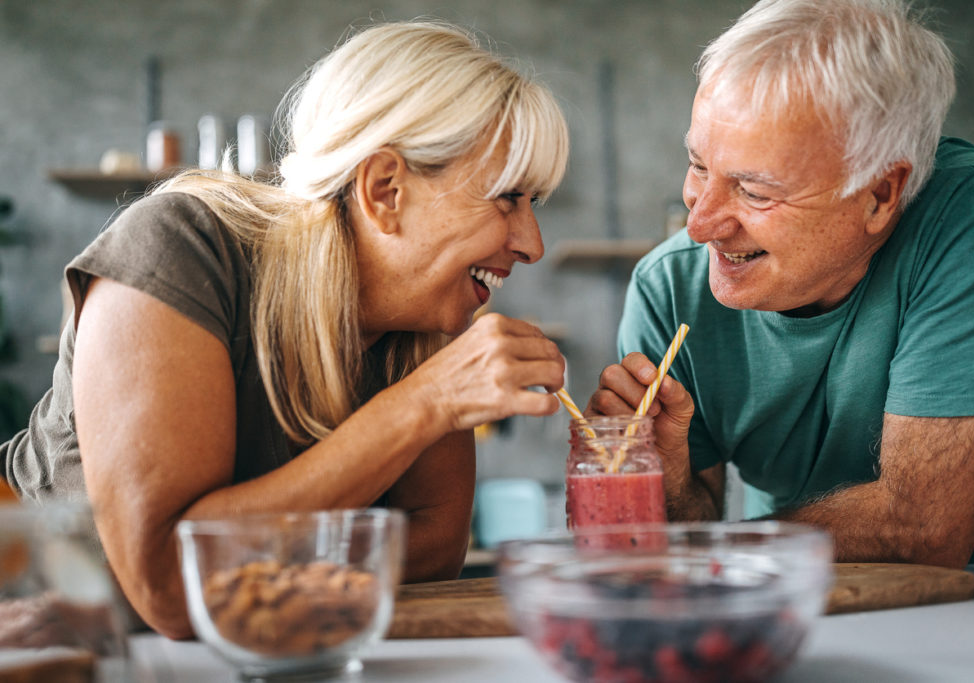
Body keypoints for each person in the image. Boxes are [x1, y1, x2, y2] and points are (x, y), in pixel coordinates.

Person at [1, 21, 569, 638]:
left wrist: (242, 562)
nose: (532, 244)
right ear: (385, 190)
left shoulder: (425, 322)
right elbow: (172, 583)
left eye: (534, 203)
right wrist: (424, 404)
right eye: (508, 198)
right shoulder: (176, 247)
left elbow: (434, 549)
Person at [588, 0, 974, 568]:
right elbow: (677, 540)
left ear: (880, 194)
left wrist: (702, 550)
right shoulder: (667, 286)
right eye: (699, 166)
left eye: (755, 191)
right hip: (801, 592)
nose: (699, 226)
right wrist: (662, 471)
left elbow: (921, 530)